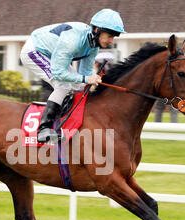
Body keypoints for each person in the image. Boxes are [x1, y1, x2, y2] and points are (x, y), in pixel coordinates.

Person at [20, 8, 125, 143]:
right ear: (98, 29)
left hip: (53, 55)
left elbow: (85, 74)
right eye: (110, 36)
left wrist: (92, 80)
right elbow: (58, 73)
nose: (111, 41)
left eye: (114, 37)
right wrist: (86, 79)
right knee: (63, 85)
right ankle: (43, 129)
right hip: (34, 51)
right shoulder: (72, 41)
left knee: (79, 86)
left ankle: (65, 121)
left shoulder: (93, 46)